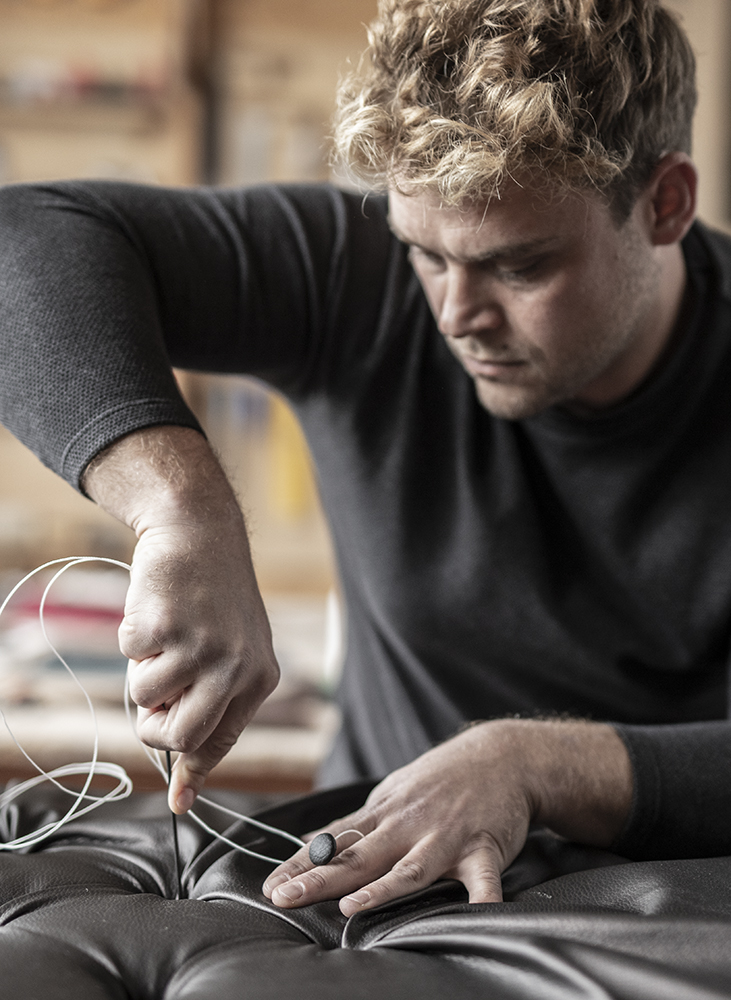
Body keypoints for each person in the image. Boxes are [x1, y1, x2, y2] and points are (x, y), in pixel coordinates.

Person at [1, 0, 730, 916]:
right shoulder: (354, 272)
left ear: (663, 203)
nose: (455, 314)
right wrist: (179, 508)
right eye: (423, 253)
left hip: (673, 923)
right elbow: (22, 239)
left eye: (519, 266)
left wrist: (539, 766)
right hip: (362, 915)